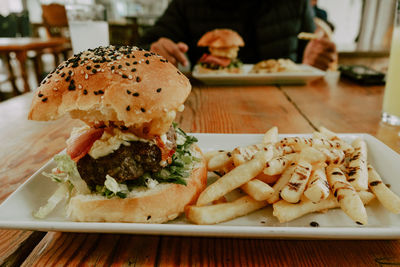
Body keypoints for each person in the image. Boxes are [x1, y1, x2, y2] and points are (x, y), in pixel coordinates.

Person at [138, 0, 337, 71]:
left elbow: (308, 56)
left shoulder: (295, 3)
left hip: (287, 104)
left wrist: (312, 63)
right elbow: (144, 46)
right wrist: (154, 51)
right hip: (208, 104)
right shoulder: (188, 4)